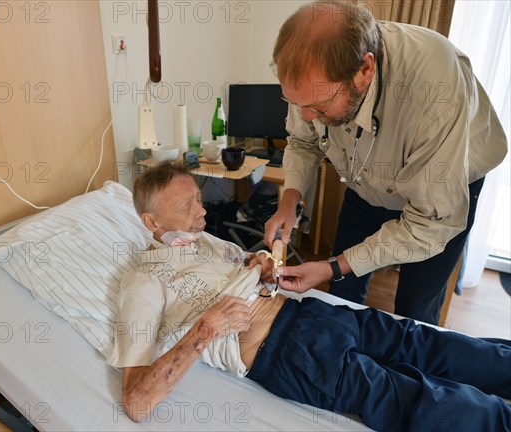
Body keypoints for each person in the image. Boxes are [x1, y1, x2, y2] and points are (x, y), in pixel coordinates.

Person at [108, 162, 510, 431]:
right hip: (286, 352)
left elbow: (247, 263)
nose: (203, 211)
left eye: (199, 197)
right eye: (189, 204)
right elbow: (137, 402)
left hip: (312, 314)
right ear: (151, 222)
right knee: (406, 394)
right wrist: (204, 331)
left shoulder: (205, 242)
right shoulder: (144, 280)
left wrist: (261, 263)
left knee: (418, 339)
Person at [264, 0, 508, 325]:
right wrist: (290, 201)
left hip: (437, 196)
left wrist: (332, 265)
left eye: (319, 106)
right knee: (342, 290)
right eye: (296, 103)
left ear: (364, 71)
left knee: (414, 309)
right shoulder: (314, 82)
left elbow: (427, 225)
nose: (307, 116)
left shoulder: (435, 91)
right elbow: (303, 141)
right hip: (364, 181)